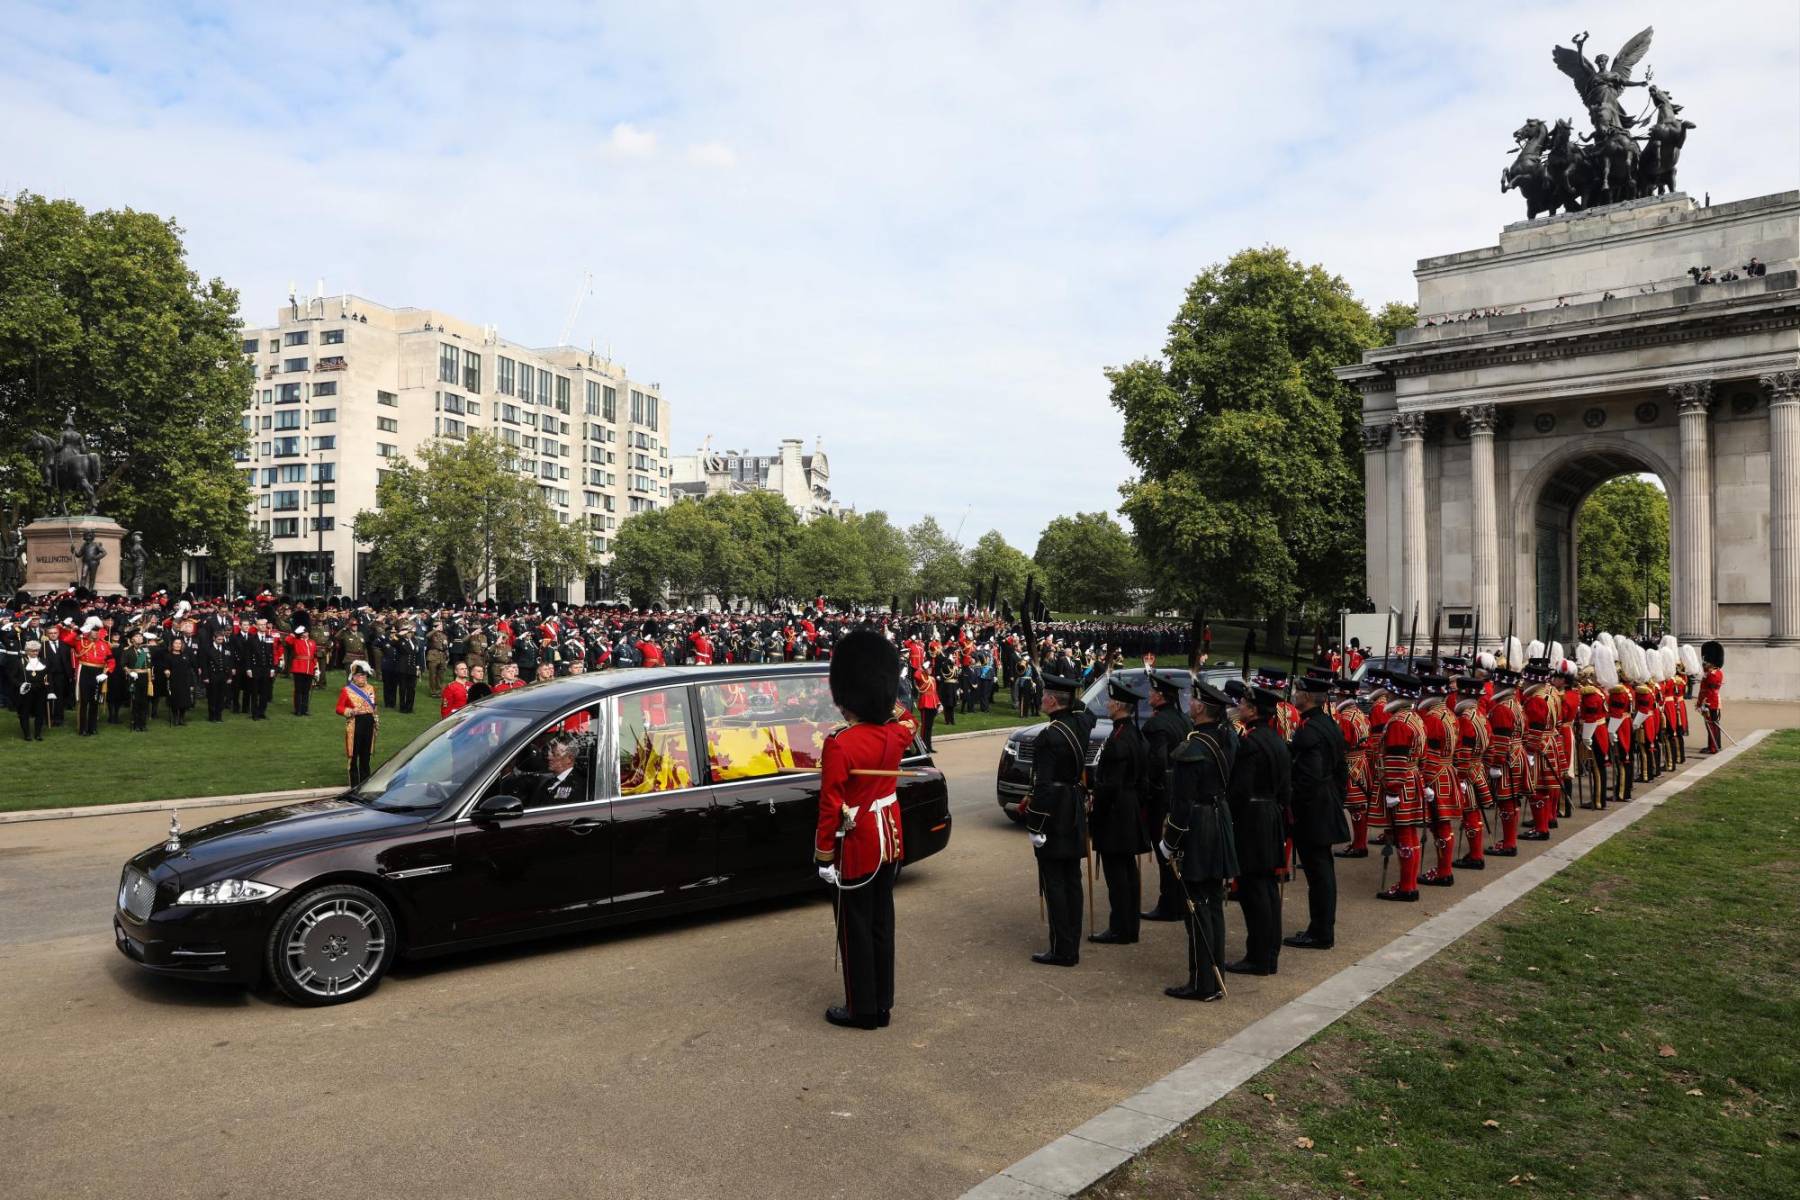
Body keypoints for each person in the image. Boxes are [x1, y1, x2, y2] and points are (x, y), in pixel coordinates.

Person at [812, 629, 917, 1030]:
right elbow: (907, 716)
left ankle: (862, 1010)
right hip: (889, 838)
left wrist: (824, 855)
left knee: (854, 927)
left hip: (857, 844)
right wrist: (882, 699)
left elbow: (830, 806)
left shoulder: (840, 743)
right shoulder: (895, 733)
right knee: (880, 923)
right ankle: (883, 1003)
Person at [1161, 680, 1238, 1000]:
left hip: (1200, 827)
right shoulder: (1226, 738)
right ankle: (1213, 976)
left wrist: (1170, 840)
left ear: (1201, 708)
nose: (1189, 702)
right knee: (1213, 903)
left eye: (1194, 699)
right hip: (1219, 820)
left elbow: (1182, 803)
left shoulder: (1194, 747)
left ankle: (1203, 982)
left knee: (1198, 908)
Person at [1021, 671, 1092, 967]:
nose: (1041, 698)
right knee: (1071, 879)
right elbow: (1084, 709)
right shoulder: (1081, 723)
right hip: (1074, 806)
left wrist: (1035, 822)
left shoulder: (1049, 737)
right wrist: (1071, 692)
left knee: (1055, 881)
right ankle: (1070, 944)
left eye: (1045, 695)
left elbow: (1043, 785)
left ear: (1052, 701)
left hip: (1055, 810)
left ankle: (1062, 950)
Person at [1225, 686, 1290, 974]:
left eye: (1243, 703)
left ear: (1252, 710)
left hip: (1253, 818)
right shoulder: (1274, 739)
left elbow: (1240, 789)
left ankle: (1259, 956)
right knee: (1266, 889)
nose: (1239, 705)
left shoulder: (1250, 742)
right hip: (1270, 814)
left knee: (1255, 891)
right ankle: (1268, 951)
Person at [1285, 675, 1350, 949]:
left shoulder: (1309, 730)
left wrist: (1293, 804)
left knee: (1319, 873)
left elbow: (1307, 778)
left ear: (1308, 696)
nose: (1295, 694)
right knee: (1322, 870)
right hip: (1326, 802)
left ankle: (1321, 932)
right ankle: (1321, 928)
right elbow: (1340, 771)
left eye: (1299, 691)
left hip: (1313, 810)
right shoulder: (1327, 724)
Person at [1089, 677, 1150, 945]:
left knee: (1118, 874)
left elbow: (1110, 785)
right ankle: (1128, 925)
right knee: (1126, 870)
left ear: (1120, 706)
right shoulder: (1132, 733)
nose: (1108, 704)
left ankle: (1120, 928)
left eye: (1111, 700)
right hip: (1130, 805)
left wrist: (1095, 810)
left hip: (1116, 811)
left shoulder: (1118, 740)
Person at [1140, 673, 1193, 922]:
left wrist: (1149, 789)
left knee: (1164, 850)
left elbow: (1157, 762)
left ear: (1160, 696)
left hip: (1163, 794)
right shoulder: (1184, 719)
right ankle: (1180, 900)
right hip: (1182, 789)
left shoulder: (1156, 724)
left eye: (1152, 692)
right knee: (1177, 849)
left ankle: (1169, 903)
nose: (1149, 696)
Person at [336, 661, 380, 786]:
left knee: (366, 756)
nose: (362, 678)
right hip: (355, 724)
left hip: (368, 724)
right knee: (353, 756)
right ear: (353, 677)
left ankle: (365, 783)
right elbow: (339, 708)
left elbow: (374, 705)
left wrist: (375, 718)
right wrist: (350, 711)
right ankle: (354, 785)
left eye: (364, 675)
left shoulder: (370, 688)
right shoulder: (347, 690)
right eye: (359, 675)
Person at [526, 735, 590, 808]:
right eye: (549, 753)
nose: (548, 757)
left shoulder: (579, 785)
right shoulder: (547, 781)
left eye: (554, 754)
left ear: (569, 758)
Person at [15, 639, 51, 741]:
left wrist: (50, 689)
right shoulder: (20, 662)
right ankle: (27, 734)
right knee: (24, 712)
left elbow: (49, 676)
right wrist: (20, 685)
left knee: (40, 712)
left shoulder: (44, 661)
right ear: (27, 651)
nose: (35, 653)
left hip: (41, 690)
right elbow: (12, 676)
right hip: (26, 691)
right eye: (32, 650)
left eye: (36, 650)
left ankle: (38, 734)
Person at [160, 633, 198, 727]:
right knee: (175, 700)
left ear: (182, 645)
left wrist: (191, 683)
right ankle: (175, 718)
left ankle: (182, 718)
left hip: (185, 681)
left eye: (179, 643)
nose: (177, 645)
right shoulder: (168, 656)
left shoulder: (185, 655)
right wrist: (166, 671)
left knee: (184, 701)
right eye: (176, 643)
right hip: (174, 681)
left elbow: (190, 669)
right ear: (172, 645)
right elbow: (165, 667)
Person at [200, 626, 233, 722]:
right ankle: (212, 716)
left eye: (222, 639)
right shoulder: (207, 649)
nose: (220, 641)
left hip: (223, 675)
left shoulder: (226, 648)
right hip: (212, 675)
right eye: (219, 639)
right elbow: (204, 664)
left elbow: (229, 663)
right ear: (214, 638)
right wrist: (205, 676)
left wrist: (229, 676)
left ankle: (219, 716)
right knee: (212, 696)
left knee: (221, 697)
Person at [287, 625, 320, 716]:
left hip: (309, 668)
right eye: (303, 632)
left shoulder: (312, 642)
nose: (305, 634)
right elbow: (287, 640)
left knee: (306, 690)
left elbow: (314, 655)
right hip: (298, 667)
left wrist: (316, 668)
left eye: (306, 632)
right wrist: (294, 632)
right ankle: (297, 709)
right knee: (298, 690)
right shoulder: (296, 641)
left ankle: (304, 709)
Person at [1698, 641, 1724, 753]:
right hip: (1710, 701)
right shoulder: (1712, 672)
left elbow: (1710, 691)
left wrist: (1704, 704)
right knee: (1711, 724)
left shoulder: (1713, 674)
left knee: (1711, 724)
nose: (1705, 662)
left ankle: (1713, 747)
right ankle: (1714, 744)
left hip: (1710, 702)